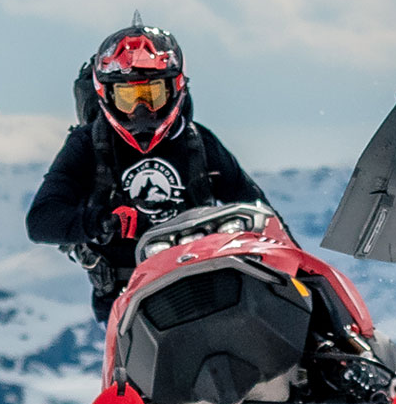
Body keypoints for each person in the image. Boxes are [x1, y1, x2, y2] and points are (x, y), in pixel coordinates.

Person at [24, 24, 270, 318]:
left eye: (153, 96)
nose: (141, 111)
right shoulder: (88, 144)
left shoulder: (197, 141)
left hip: (206, 289)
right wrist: (104, 223)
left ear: (175, 88)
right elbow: (41, 221)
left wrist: (292, 263)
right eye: (128, 98)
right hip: (127, 300)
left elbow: (258, 208)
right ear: (107, 95)